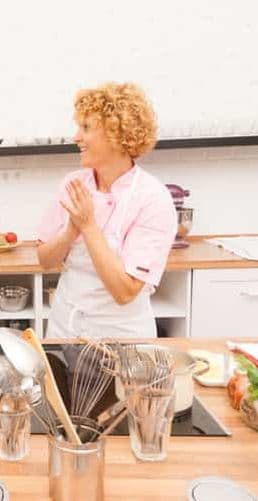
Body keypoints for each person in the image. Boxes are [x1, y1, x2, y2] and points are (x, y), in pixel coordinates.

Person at [37, 82, 177, 339]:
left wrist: (88, 226)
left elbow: (124, 291)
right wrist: (70, 230)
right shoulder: (73, 184)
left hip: (121, 340)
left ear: (117, 133)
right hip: (64, 330)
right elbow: (45, 260)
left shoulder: (153, 199)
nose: (76, 137)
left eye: (86, 128)